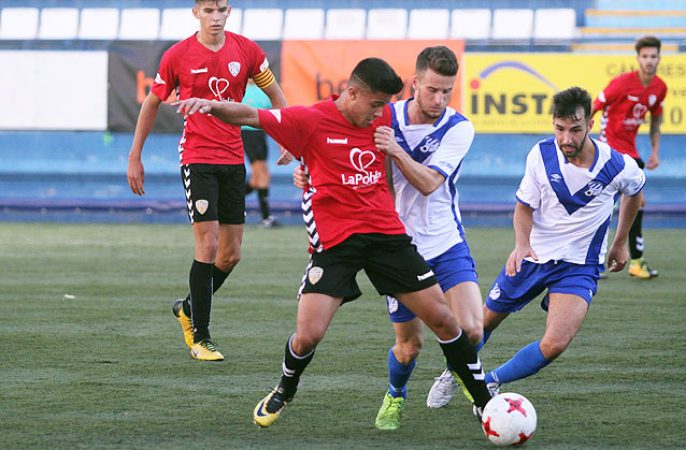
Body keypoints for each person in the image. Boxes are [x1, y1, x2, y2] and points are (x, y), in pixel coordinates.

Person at [173, 57, 493, 428]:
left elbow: (392, 168)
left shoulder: (384, 118)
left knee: (444, 320)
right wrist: (210, 106)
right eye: (375, 105)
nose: (380, 114)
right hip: (336, 243)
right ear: (353, 93)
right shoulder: (311, 120)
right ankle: (284, 389)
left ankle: (486, 404)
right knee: (308, 335)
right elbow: (250, 116)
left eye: (384, 106)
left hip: (387, 237)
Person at [292, 46, 484, 431]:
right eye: (432, 90)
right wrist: (309, 173)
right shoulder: (382, 114)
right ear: (414, 83)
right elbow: (337, 145)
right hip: (395, 247)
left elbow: (430, 183)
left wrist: (395, 149)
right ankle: (396, 394)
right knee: (410, 346)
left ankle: (459, 375)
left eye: (447, 91)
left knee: (472, 329)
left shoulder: (459, 128)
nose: (439, 99)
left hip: (445, 242)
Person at [435, 86, 645, 401]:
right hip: (533, 256)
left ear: (589, 124)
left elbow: (636, 190)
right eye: (560, 129)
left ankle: (489, 381)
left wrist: (620, 242)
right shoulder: (541, 155)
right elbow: (523, 207)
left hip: (578, 266)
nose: (567, 139)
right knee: (481, 325)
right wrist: (521, 245)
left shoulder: (616, 165)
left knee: (555, 343)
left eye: (575, 130)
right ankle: (452, 373)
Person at [126, 0, 288, 361]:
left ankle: (187, 308)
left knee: (231, 255)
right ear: (196, 12)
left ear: (229, 12)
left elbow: (276, 96)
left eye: (223, 10)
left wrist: (288, 137)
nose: (216, 17)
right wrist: (135, 155)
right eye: (209, 10)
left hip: (233, 159)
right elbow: (152, 103)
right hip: (197, 158)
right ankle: (201, 337)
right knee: (209, 244)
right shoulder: (177, 55)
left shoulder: (246, 50)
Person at [590, 35, 668, 280]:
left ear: (658, 58)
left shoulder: (659, 88)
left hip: (631, 151)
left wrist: (655, 151)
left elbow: (655, 119)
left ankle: (634, 261)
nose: (649, 61)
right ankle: (596, 262)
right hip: (609, 148)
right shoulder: (621, 83)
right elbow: (593, 107)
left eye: (653, 56)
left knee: (636, 202)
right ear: (638, 58)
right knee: (604, 203)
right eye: (644, 56)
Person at [241, 80, 279, 228]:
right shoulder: (242, 88)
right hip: (249, 133)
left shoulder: (264, 89)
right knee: (261, 173)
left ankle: (227, 202)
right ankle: (265, 216)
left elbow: (274, 111)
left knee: (258, 179)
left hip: (260, 133)